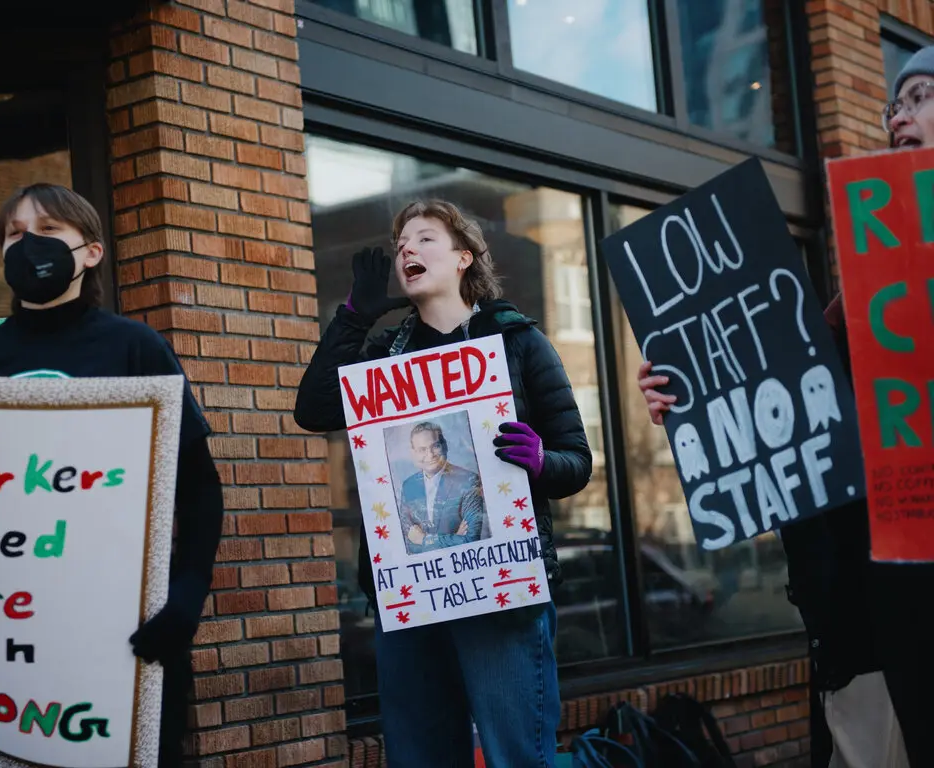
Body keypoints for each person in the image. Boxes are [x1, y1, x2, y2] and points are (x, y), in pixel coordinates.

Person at [634, 48, 934, 768]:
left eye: (922, 95)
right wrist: (689, 391)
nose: (898, 113)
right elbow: (797, 403)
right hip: (878, 609)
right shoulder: (856, 296)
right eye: (895, 102)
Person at [294, 199, 592, 767]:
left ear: (463, 258)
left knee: (518, 755)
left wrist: (539, 462)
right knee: (420, 757)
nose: (407, 248)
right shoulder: (385, 353)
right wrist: (353, 316)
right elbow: (312, 410)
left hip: (501, 593)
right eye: (402, 242)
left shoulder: (518, 342)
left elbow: (576, 461)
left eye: (425, 238)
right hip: (409, 596)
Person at [0, 184, 224, 768]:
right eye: (16, 234)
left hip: (127, 632)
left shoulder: (135, 348)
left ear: (91, 252)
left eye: (48, 231)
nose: (29, 245)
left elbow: (198, 486)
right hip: (10, 637)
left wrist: (187, 597)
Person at [398, 421, 485, 554]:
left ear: (445, 446)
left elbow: (470, 539)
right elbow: (406, 545)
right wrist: (455, 539)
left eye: (435, 446)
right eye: (422, 449)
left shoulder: (469, 481)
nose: (430, 454)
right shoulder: (408, 486)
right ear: (414, 453)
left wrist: (424, 540)